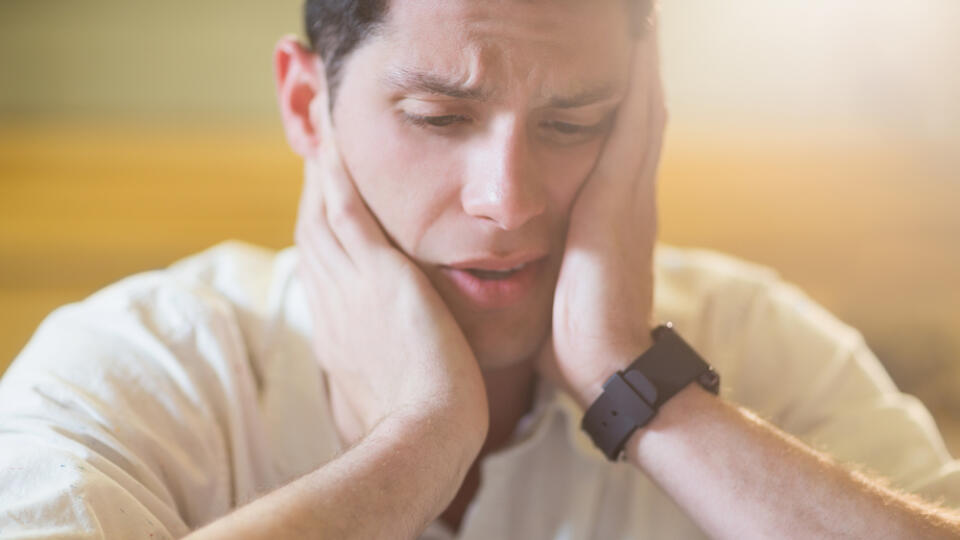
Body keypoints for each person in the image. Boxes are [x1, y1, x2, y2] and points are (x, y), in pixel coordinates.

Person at [1, 0, 959, 538]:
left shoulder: (768, 347)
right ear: (306, 106)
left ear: (644, 120)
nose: (508, 201)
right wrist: (419, 444)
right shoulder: (132, 367)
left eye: (574, 123)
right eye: (438, 119)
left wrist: (642, 386)